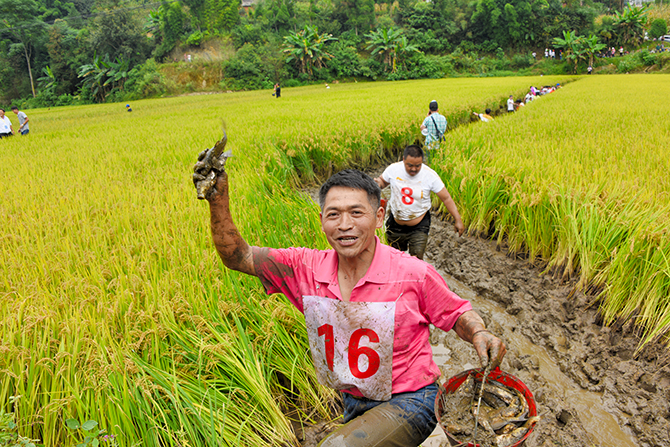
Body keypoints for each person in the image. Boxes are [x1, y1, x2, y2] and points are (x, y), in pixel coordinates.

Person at [202, 164, 506, 447]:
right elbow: (237, 257)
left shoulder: (412, 273)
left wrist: (479, 332)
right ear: (321, 220)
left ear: (378, 215)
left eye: (356, 213)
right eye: (333, 214)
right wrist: (217, 199)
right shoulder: (304, 269)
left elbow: (456, 313)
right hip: (354, 399)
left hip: (412, 399)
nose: (344, 225)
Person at [375, 145, 464, 261]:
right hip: (395, 224)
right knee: (392, 258)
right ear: (403, 160)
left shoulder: (430, 175)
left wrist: (457, 219)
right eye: (410, 165)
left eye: (418, 165)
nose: (414, 169)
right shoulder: (393, 169)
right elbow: (382, 181)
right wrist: (377, 184)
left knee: (416, 260)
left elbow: (446, 198)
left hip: (419, 226)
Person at [419, 100, 446, 165]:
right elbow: (444, 130)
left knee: (430, 163)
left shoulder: (428, 119)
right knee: (438, 162)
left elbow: (421, 128)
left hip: (429, 145)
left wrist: (427, 116)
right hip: (439, 144)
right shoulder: (443, 118)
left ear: (429, 110)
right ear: (438, 109)